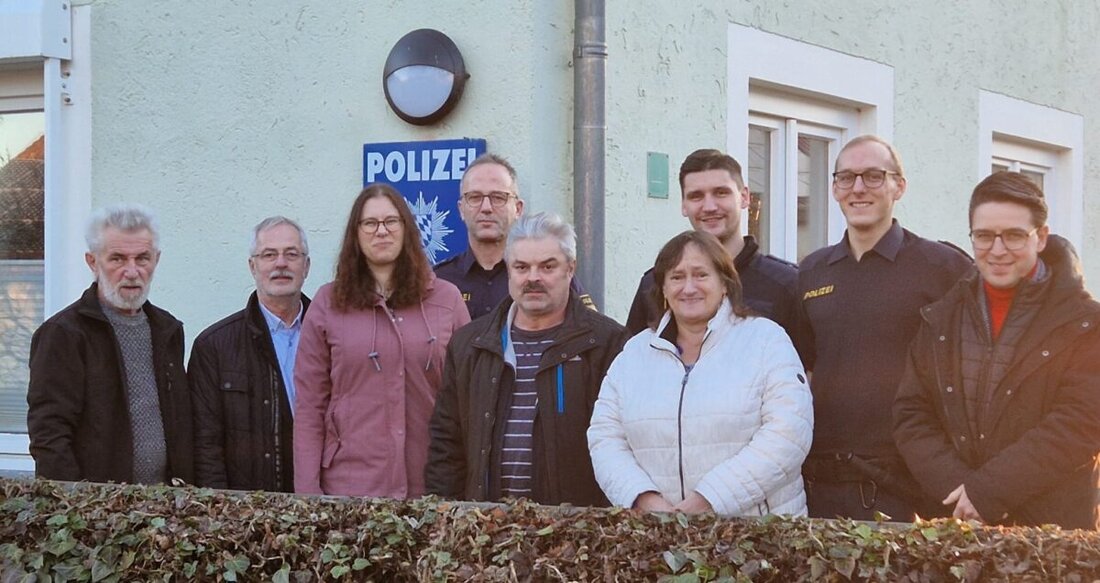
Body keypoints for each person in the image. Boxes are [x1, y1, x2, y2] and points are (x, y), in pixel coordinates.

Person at [894, 172, 1100, 529]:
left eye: (1014, 235)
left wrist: (988, 492)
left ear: (1041, 237)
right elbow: (911, 415)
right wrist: (959, 490)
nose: (998, 250)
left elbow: (1081, 423)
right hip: (957, 528)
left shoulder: (1085, 322)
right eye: (985, 236)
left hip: (1051, 537)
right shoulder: (941, 318)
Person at [797, 135, 972, 520]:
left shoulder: (944, 268)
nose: (858, 188)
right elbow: (804, 368)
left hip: (912, 486)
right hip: (823, 483)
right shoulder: (811, 272)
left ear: (899, 186)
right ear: (834, 189)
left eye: (873, 176)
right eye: (846, 178)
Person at [588, 230, 812, 517]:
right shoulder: (634, 354)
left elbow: (789, 434)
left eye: (701, 275)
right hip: (658, 532)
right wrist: (644, 499)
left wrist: (709, 499)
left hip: (758, 533)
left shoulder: (766, 340)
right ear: (663, 289)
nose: (689, 287)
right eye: (677, 277)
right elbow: (605, 437)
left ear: (725, 284)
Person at [426, 212, 628, 505]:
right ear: (509, 270)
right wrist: (447, 516)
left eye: (547, 266)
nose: (533, 278)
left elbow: (621, 446)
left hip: (574, 526)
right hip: (487, 524)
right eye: (521, 267)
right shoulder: (470, 345)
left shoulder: (606, 344)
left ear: (570, 269)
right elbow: (447, 443)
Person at [293, 184, 469, 497]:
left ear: (407, 228)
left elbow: (468, 398)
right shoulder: (328, 303)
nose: (381, 231)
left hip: (430, 485)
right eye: (370, 223)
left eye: (391, 221)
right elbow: (310, 406)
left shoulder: (446, 300)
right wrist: (308, 492)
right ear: (356, 234)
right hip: (350, 486)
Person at [27, 205, 193, 484]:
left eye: (142, 258)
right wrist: (76, 504)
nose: (132, 271)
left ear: (156, 260)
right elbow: (49, 434)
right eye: (117, 259)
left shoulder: (167, 330)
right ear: (93, 262)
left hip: (166, 501)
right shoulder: (63, 334)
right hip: (97, 506)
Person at [189, 216, 312, 492]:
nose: (281, 263)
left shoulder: (333, 339)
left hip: (322, 504)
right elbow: (206, 446)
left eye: (292, 254)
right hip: (245, 509)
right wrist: (222, 508)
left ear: (306, 266)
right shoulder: (214, 346)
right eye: (269, 254)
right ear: (252, 266)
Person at [625, 149, 798, 344]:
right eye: (696, 196)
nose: (709, 207)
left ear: (744, 197)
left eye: (721, 193)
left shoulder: (786, 285)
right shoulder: (655, 283)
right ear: (684, 205)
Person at [434, 153, 595, 319]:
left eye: (498, 197)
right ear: (461, 209)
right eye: (475, 197)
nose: (486, 207)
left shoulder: (546, 277)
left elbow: (591, 327)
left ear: (518, 208)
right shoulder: (440, 280)